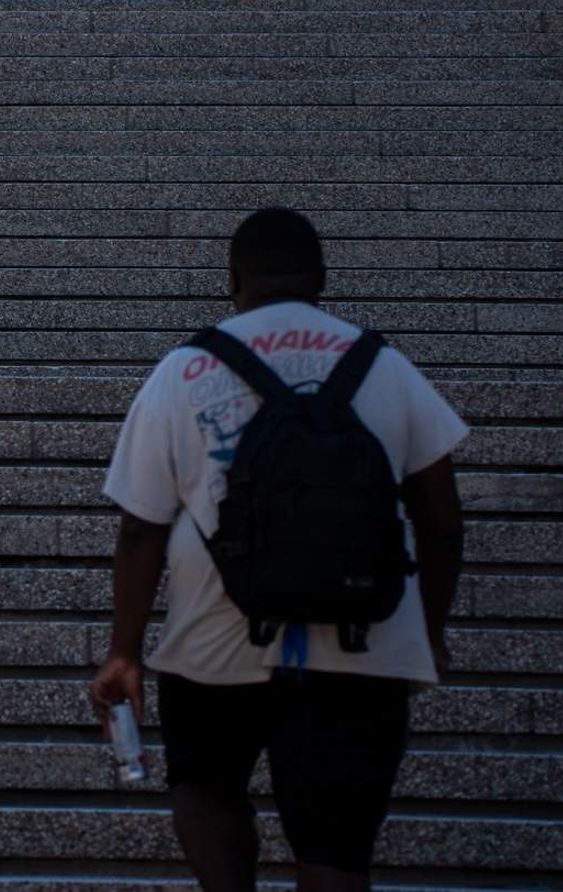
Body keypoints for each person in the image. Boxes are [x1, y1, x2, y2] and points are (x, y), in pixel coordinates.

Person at [89, 208, 468, 892]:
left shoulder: (185, 369)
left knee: (206, 782)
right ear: (322, 282)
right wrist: (431, 633)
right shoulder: (384, 367)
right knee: (336, 848)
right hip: (365, 642)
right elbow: (441, 520)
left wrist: (123, 650)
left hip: (215, 638)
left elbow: (141, 528)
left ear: (232, 279)